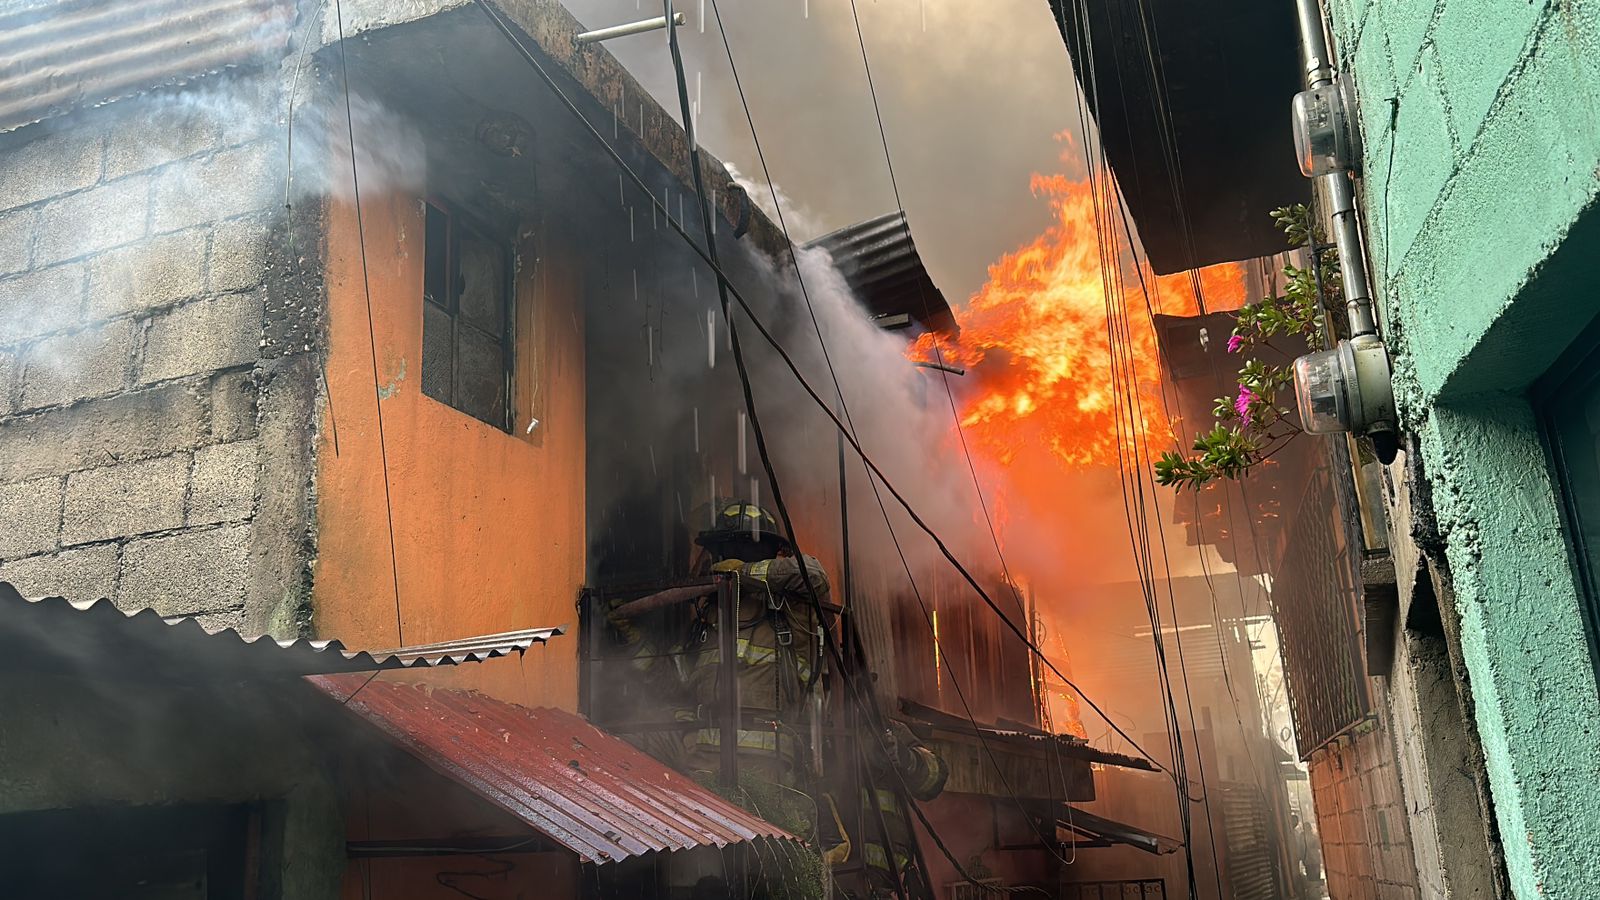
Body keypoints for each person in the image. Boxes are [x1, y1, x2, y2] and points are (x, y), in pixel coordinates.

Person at [683, 500, 830, 788]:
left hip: (767, 762)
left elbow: (814, 575)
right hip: (703, 759)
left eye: (744, 549)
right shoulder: (707, 618)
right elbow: (684, 685)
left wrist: (744, 573)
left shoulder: (790, 610)